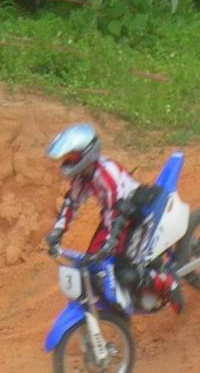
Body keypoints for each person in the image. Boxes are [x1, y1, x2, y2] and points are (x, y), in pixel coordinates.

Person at [42, 122, 182, 312]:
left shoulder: (107, 174)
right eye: (67, 158)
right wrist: (57, 232)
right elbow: (71, 203)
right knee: (91, 267)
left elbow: (120, 211)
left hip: (135, 218)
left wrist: (111, 243)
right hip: (113, 220)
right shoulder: (83, 176)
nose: (67, 162)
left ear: (87, 153)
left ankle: (168, 283)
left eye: (71, 157)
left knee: (125, 273)